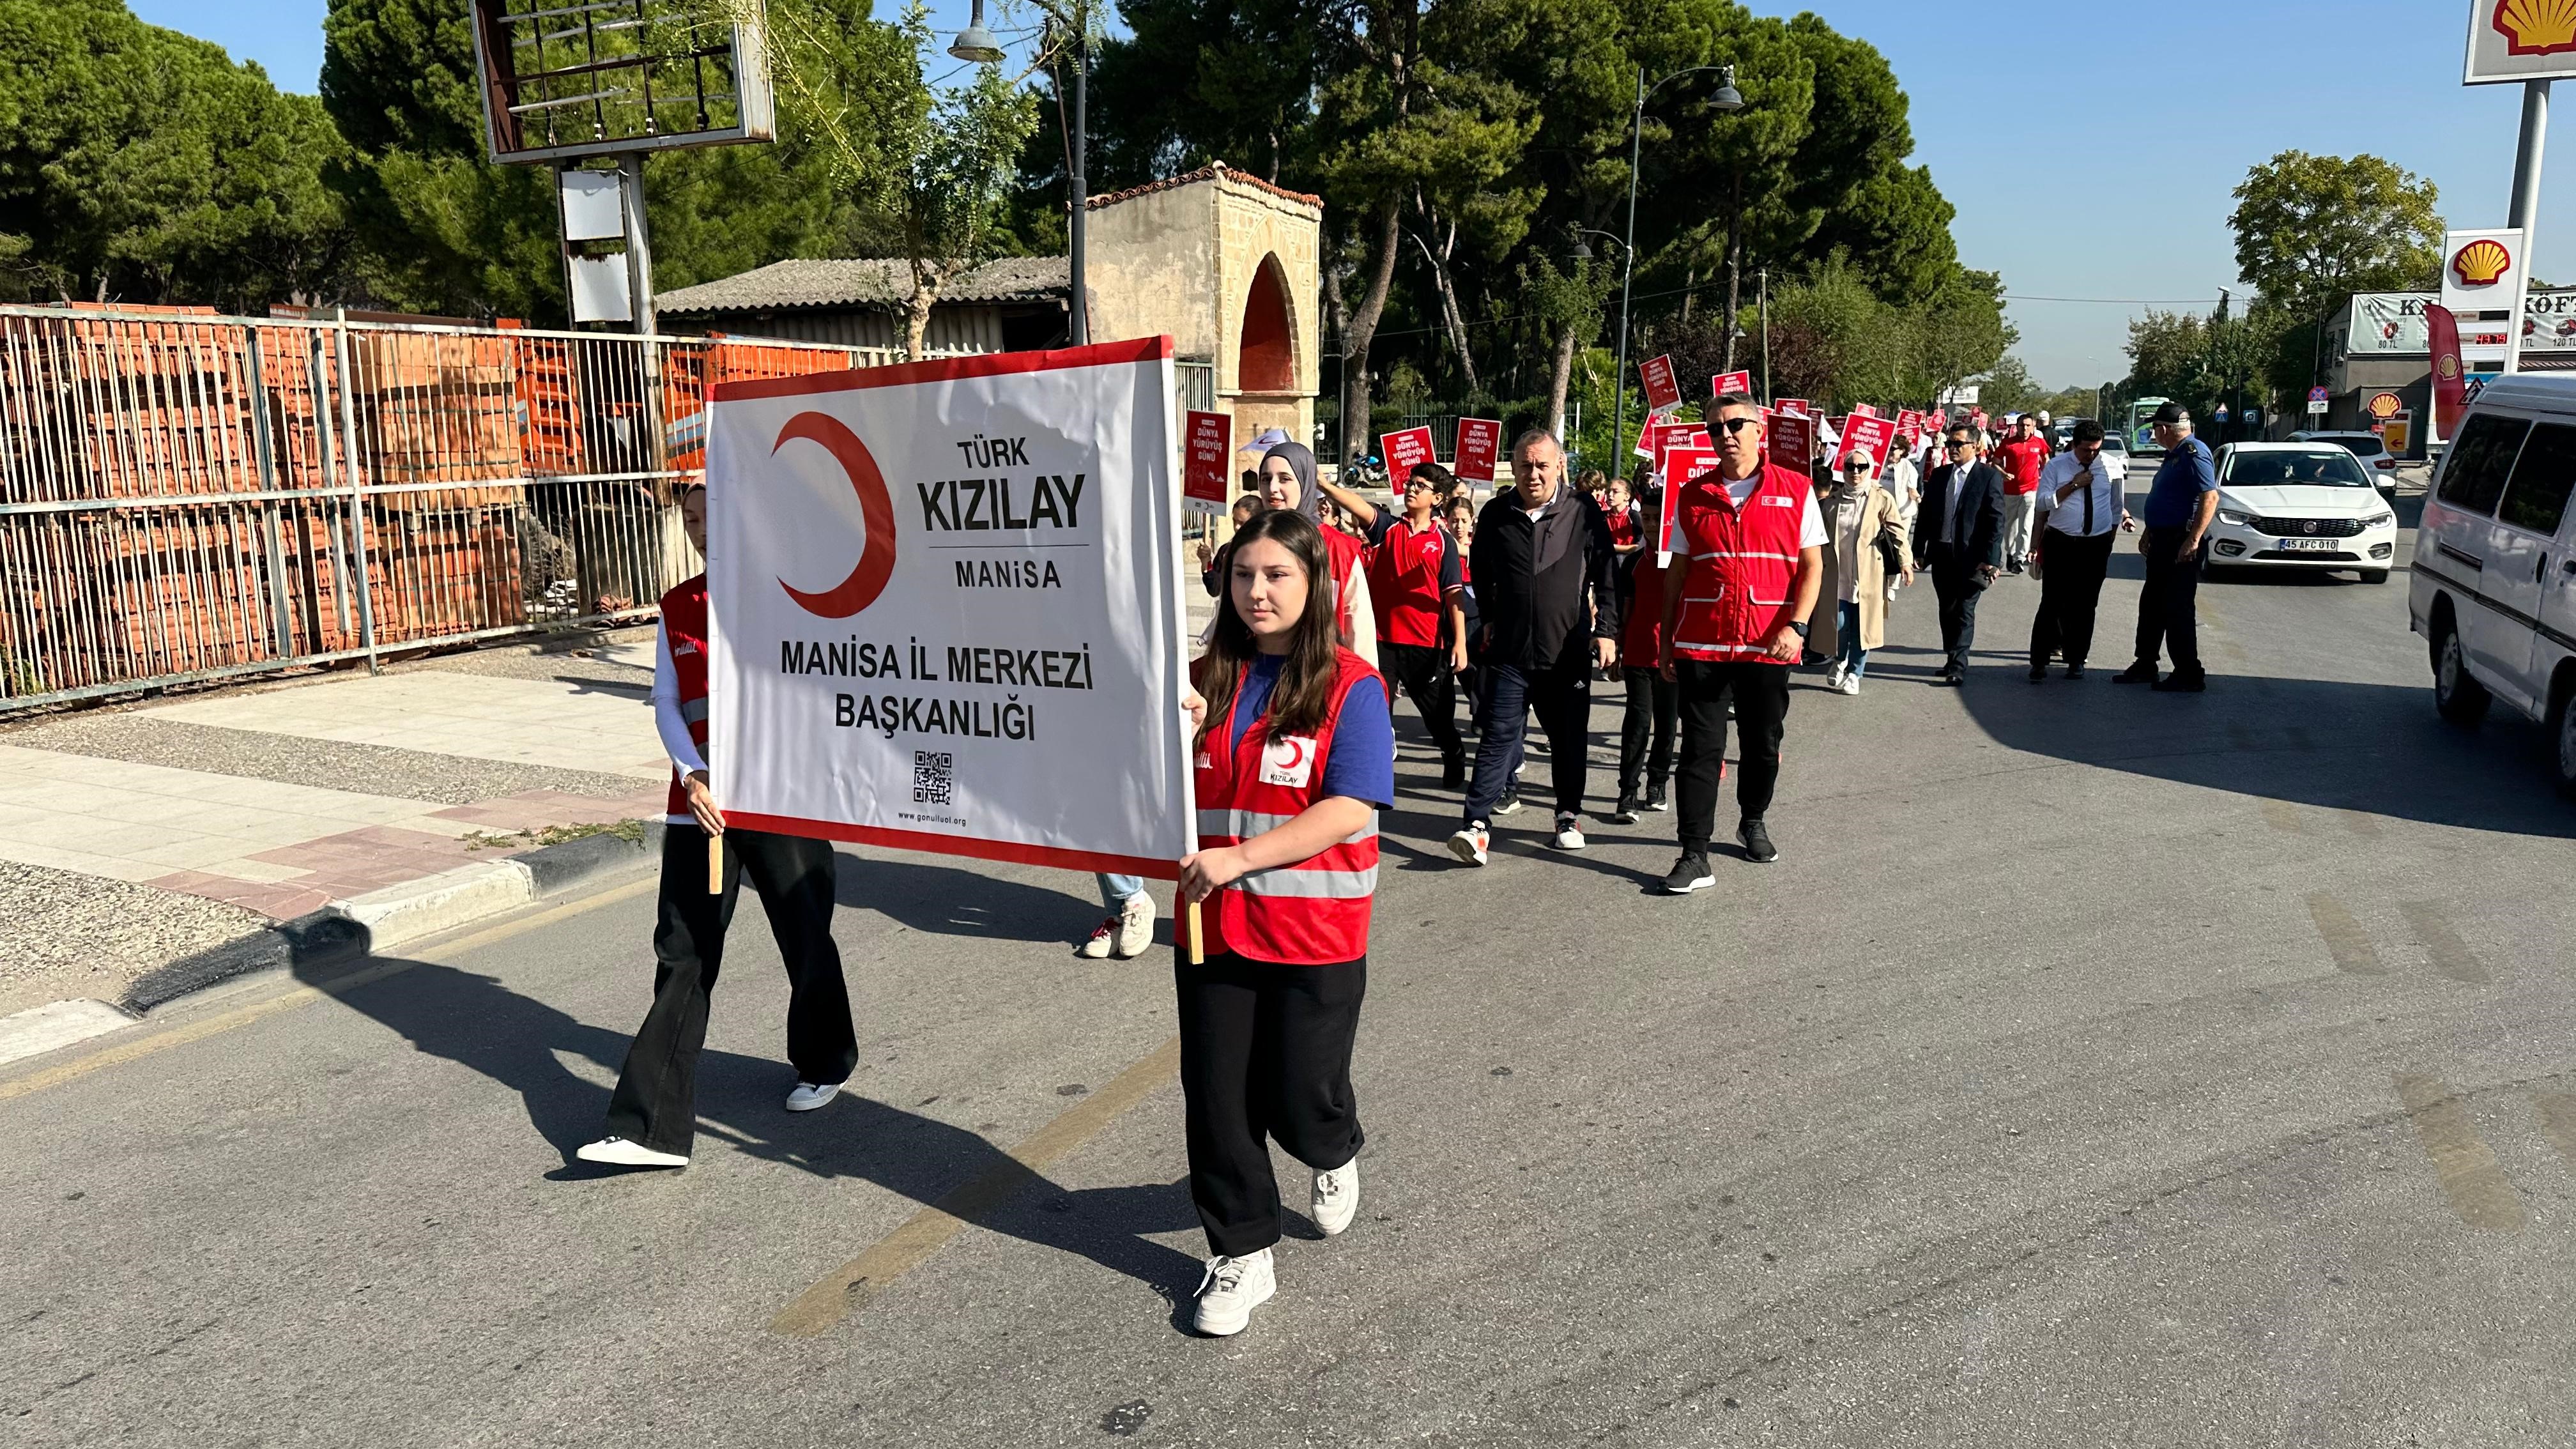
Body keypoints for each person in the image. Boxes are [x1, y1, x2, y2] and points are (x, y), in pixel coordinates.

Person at [577, 482, 855, 1170]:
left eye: (709, 515)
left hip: (779, 801)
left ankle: (825, 1062)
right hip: (700, 806)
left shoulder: (788, 595)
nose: (700, 528)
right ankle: (650, 1131)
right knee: (684, 954)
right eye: (690, 519)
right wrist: (691, 771)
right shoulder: (678, 605)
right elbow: (667, 700)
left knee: (805, 935)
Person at [1177, 507, 1393, 1338]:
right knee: (1219, 1096)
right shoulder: (1200, 681)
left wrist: (1241, 856)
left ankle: (1333, 1148)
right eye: (1243, 576)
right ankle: (1242, 1249)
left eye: (1277, 576)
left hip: (1315, 936)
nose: (1257, 592)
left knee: (1299, 1098)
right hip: (1216, 929)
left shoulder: (1350, 685)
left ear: (1314, 585)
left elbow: (1348, 807)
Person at [1653, 393, 1824, 888]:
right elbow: (1677, 574)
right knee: (1700, 751)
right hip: (1702, 645)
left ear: (1759, 428)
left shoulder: (1795, 490)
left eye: (1734, 425)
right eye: (1714, 429)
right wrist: (1666, 641)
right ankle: (1694, 853)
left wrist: (1797, 627)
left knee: (1762, 745)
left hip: (1767, 645)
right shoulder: (1692, 494)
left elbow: (1813, 568)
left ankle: (1753, 820)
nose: (1724, 435)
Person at [1447, 429, 1621, 866]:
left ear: (1560, 466)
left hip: (1566, 654)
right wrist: (1487, 618)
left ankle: (1567, 815)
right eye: (1525, 465)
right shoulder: (1495, 515)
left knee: (1567, 739)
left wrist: (1607, 631)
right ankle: (1476, 825)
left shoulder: (1582, 512)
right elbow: (1480, 571)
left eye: (1543, 465)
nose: (1534, 474)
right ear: (1514, 467)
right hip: (1509, 654)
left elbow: (1607, 571)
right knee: (1497, 738)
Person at [1320, 462, 1469, 788]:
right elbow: (1358, 507)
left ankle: (1453, 751)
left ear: (1438, 498)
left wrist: (1460, 642)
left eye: (1421, 486)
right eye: (1411, 483)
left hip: (1427, 645)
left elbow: (1454, 596)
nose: (1412, 489)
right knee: (1376, 714)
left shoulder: (1442, 542)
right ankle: (1376, 780)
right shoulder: (1388, 528)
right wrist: (1324, 485)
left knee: (1438, 719)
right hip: (1381, 642)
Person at [2118, 402, 2217, 692]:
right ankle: (2146, 663)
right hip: (2163, 538)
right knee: (2152, 605)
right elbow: (2166, 498)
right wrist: (2150, 530)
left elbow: (2209, 498)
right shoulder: (2173, 455)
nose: (2153, 434)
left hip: (2178, 541)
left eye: (2154, 429)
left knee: (2177, 608)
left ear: (2163, 429)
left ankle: (2188, 671)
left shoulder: (2193, 453)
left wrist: (2193, 539)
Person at [2027, 419, 2131, 682]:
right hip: (2061, 542)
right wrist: (2073, 485)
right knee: (2052, 603)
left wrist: (2110, 539)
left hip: (2095, 545)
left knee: (2086, 605)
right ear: (2074, 445)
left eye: (2096, 450)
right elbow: (2042, 503)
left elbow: (2116, 507)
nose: (2092, 455)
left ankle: (2076, 660)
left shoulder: (2111, 466)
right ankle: (2039, 662)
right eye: (2086, 450)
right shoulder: (2057, 466)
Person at [1809, 451, 1911, 696]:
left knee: (1862, 627)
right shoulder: (1832, 501)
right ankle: (1840, 659)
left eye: (1862, 467)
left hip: (1868, 574)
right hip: (1836, 573)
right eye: (1851, 466)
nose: (1856, 472)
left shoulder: (1881, 499)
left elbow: (1897, 532)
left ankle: (1855, 673)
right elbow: (1816, 535)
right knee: (1840, 624)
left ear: (1870, 469)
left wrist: (1905, 562)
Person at [1912, 424, 2006, 686]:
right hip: (1942, 554)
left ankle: (1958, 664)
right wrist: (1918, 550)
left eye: (1958, 444)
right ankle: (1951, 655)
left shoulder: (1988, 477)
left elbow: (1996, 521)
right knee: (1947, 609)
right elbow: (1926, 516)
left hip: (1972, 558)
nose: (1952, 448)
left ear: (1975, 447)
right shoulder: (1941, 475)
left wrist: (1991, 559)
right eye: (1950, 444)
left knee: (1965, 609)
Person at [1612, 481, 1676, 821]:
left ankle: (1658, 783)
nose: (1651, 524)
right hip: (1639, 653)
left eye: (1658, 518)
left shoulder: (1685, 560)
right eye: (1647, 518)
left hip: (1674, 656)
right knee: (1638, 723)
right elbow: (1624, 612)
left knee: (1667, 725)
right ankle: (1627, 792)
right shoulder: (1634, 562)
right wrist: (1618, 651)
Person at [1993, 413, 2051, 574]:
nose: (2024, 428)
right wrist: (2003, 474)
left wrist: (2045, 475)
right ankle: (2010, 554)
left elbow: (2046, 459)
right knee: (2010, 527)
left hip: (2030, 490)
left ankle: (2020, 558)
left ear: (2033, 427)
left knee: (2026, 525)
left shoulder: (2039, 442)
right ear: (2016, 427)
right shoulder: (2008, 443)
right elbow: (1995, 463)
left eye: (2027, 425)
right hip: (2010, 491)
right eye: (2021, 425)